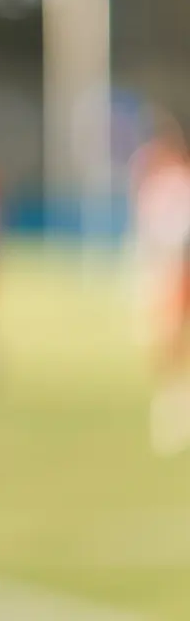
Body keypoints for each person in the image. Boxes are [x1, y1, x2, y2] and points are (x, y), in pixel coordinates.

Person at [128, 111, 190, 455]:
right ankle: (173, 401)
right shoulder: (154, 185)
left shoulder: (179, 183)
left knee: (171, 338)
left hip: (178, 267)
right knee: (163, 343)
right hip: (161, 268)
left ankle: (175, 404)